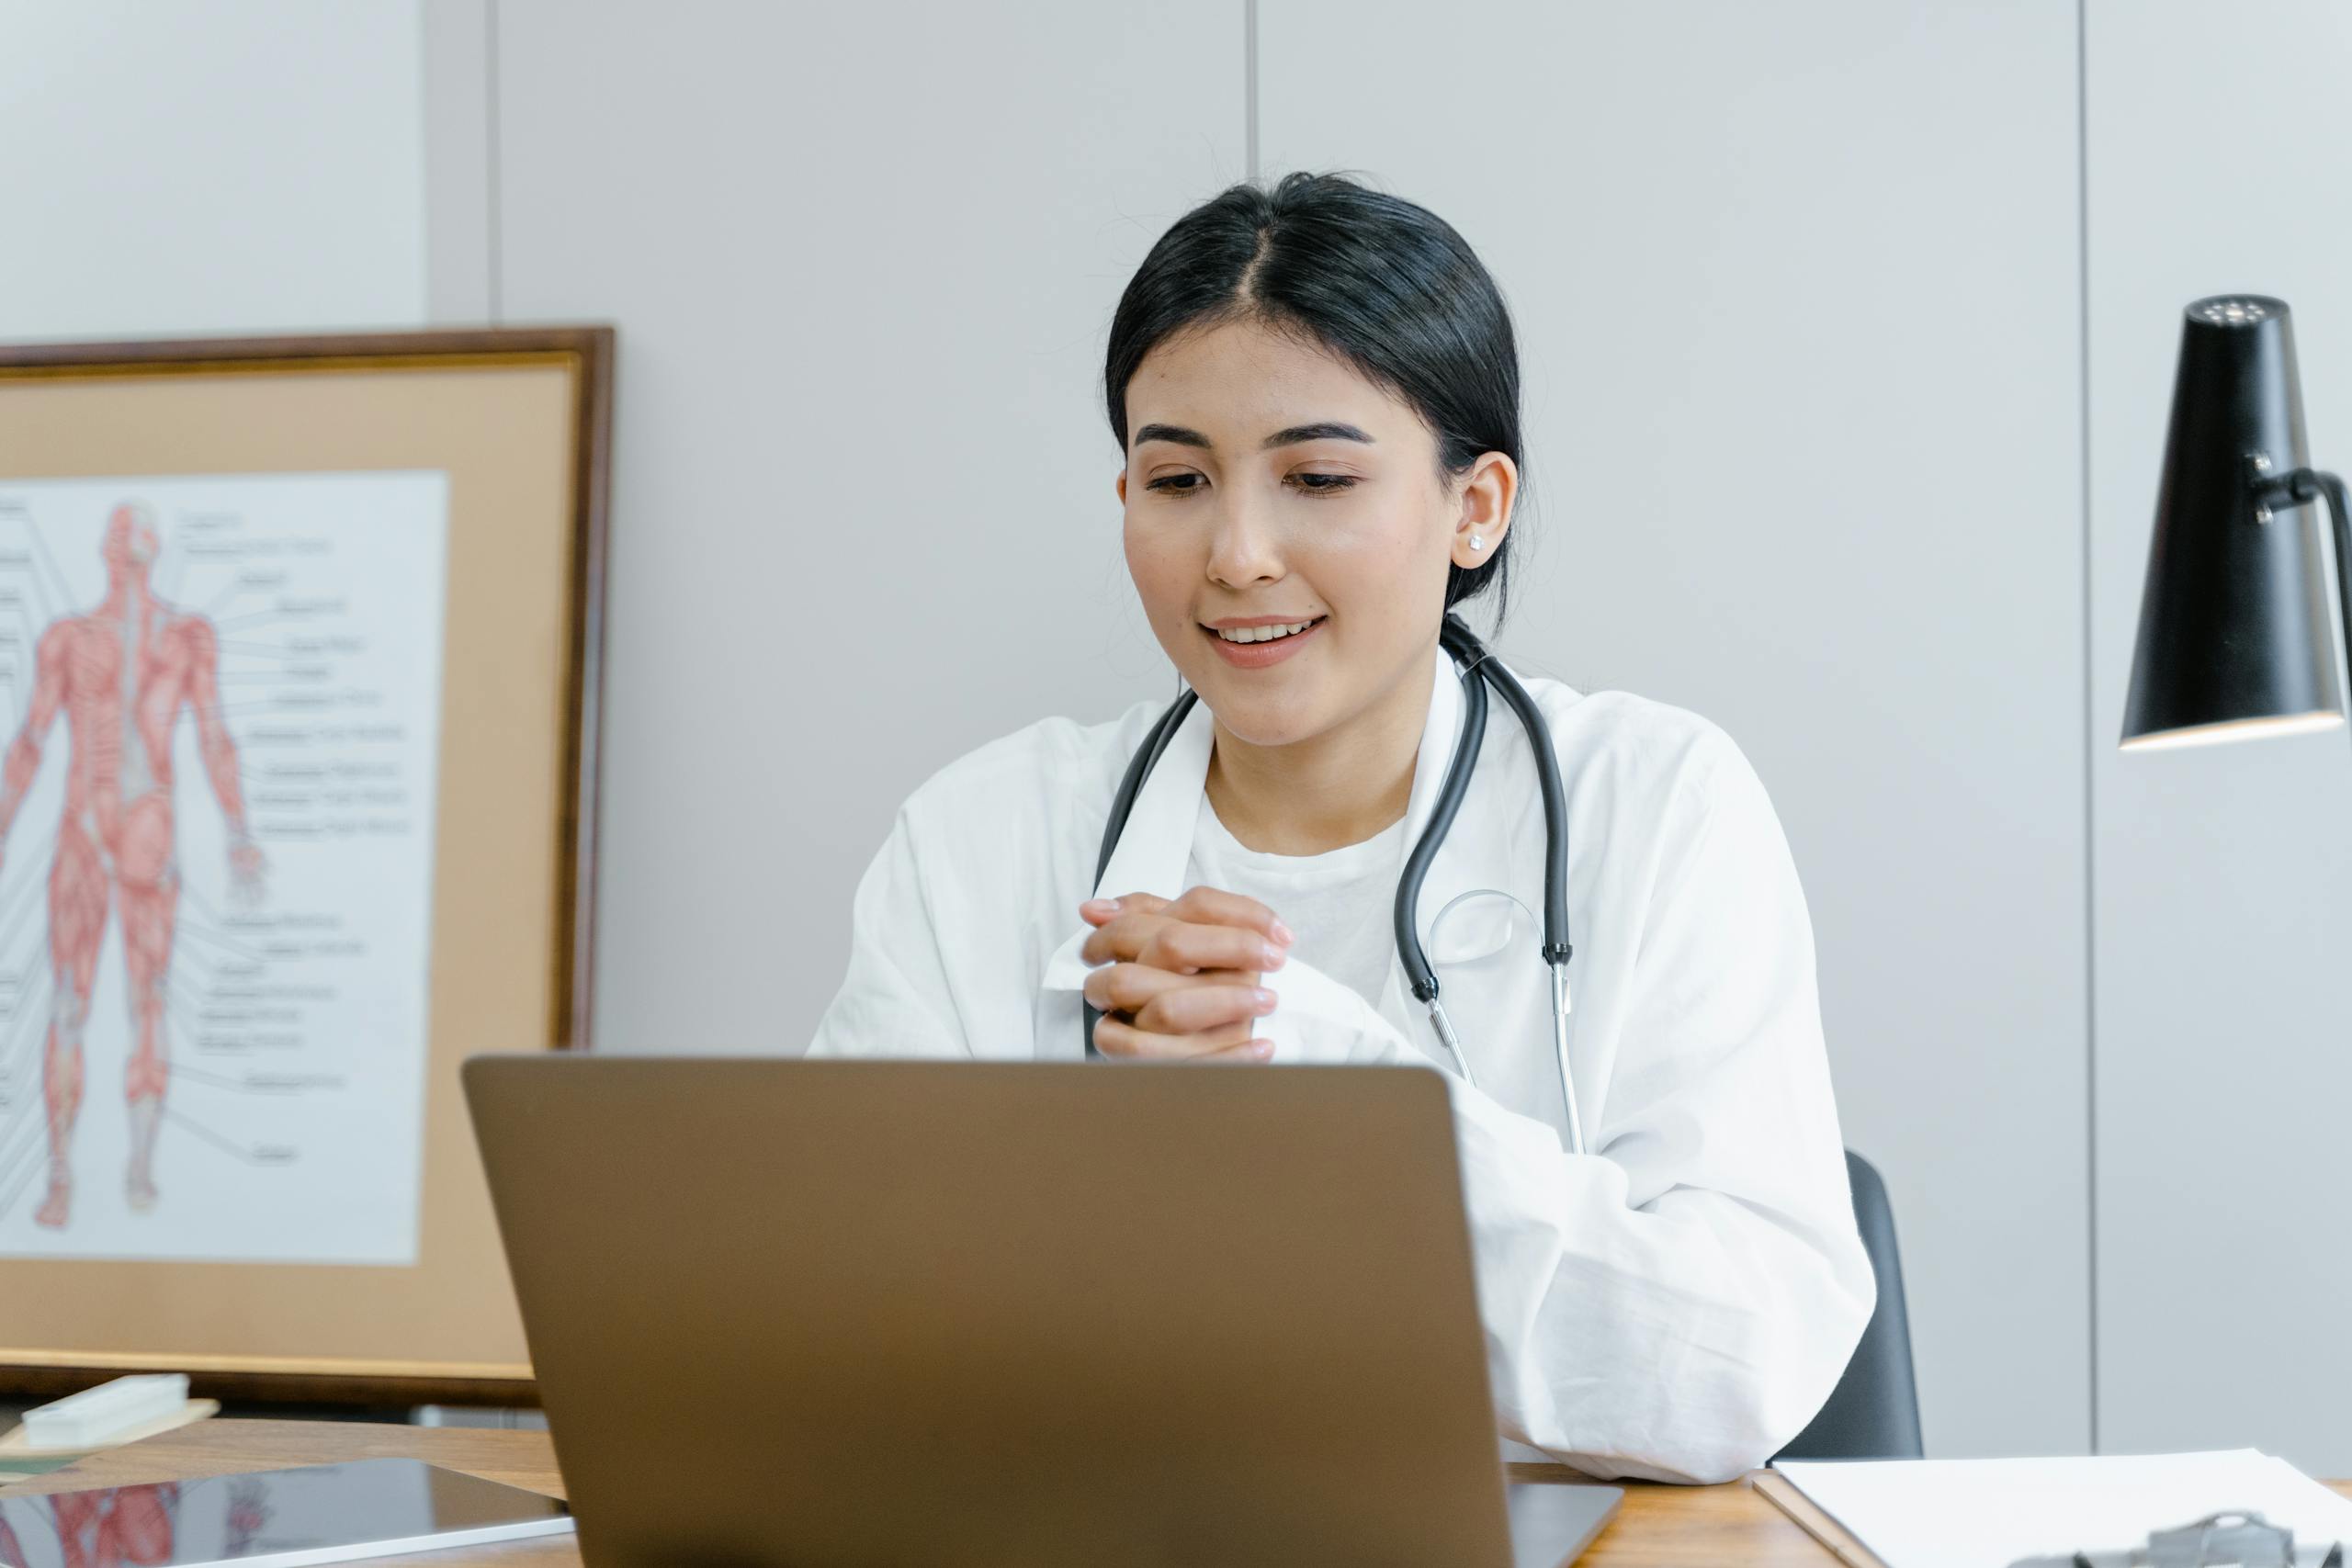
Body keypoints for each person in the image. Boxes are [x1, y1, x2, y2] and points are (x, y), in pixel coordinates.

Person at [806, 172, 1873, 1483]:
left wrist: (1347, 1103)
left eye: (1315, 475)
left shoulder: (1651, 807)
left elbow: (1737, 1368)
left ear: (1475, 508)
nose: (1238, 553)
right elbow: (838, 1343)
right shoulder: (983, 839)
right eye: (1178, 478)